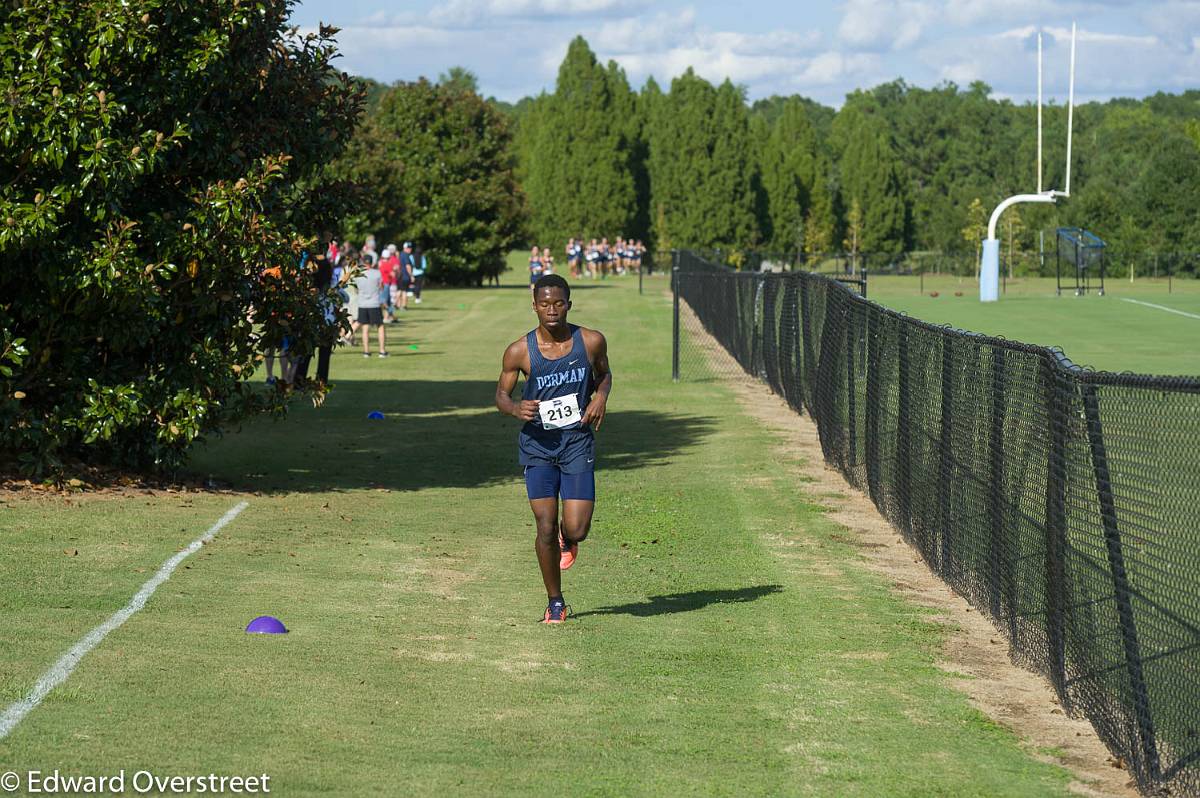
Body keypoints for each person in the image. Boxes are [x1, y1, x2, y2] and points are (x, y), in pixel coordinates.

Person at [494, 274, 613, 624]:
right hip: (538, 446)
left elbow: (604, 374)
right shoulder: (519, 351)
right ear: (534, 306)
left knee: (576, 529)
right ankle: (556, 601)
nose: (552, 310)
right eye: (544, 304)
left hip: (576, 442)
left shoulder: (590, 341)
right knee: (544, 526)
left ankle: (568, 537)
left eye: (558, 303)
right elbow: (501, 394)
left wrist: (600, 398)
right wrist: (515, 409)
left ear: (568, 304)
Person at [355, 259, 388, 357]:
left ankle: (366, 351)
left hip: (362, 303)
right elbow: (382, 287)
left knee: (365, 327)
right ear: (371, 263)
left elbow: (356, 288)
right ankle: (382, 351)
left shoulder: (358, 275)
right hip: (374, 303)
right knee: (380, 326)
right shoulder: (377, 273)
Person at [398, 242, 416, 310]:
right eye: (408, 248)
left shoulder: (401, 254)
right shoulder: (406, 255)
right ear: (405, 248)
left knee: (399, 290)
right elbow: (408, 266)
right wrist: (411, 275)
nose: (410, 249)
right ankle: (404, 306)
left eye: (410, 248)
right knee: (404, 291)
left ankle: (397, 305)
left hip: (400, 276)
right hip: (405, 276)